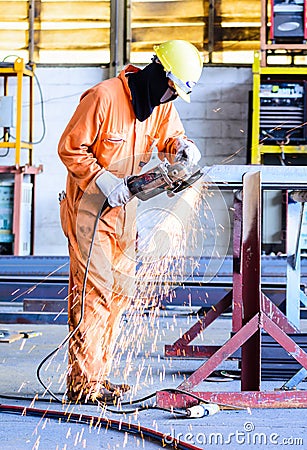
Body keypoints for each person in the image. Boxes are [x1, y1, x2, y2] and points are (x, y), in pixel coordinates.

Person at [58, 39, 203, 404]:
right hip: (91, 211)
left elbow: (171, 136)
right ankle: (84, 386)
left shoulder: (158, 105)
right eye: (171, 88)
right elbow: (70, 147)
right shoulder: (103, 97)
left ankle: (97, 376)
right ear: (158, 73)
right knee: (94, 297)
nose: (170, 98)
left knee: (119, 296)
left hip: (126, 212)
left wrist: (181, 148)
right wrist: (102, 180)